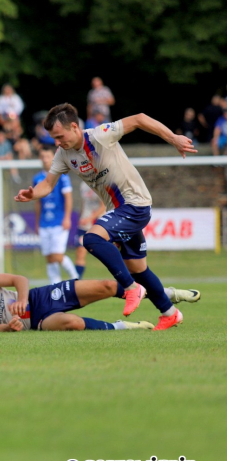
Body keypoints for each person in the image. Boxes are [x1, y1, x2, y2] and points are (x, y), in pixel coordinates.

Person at [15, 103, 197, 331]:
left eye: (60, 136)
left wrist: (173, 138)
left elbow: (139, 118)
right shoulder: (63, 154)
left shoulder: (101, 135)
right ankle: (170, 313)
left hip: (135, 204)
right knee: (139, 269)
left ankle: (131, 289)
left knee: (91, 239)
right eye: (54, 138)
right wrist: (33, 193)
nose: (57, 143)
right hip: (119, 212)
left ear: (74, 126)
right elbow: (47, 184)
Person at [0, 271, 199, 332]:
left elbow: (19, 278)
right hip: (38, 321)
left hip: (40, 296)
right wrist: (8, 327)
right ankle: (122, 327)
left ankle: (169, 295)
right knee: (72, 323)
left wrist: (22, 299)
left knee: (105, 286)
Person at [33, 147, 78, 283]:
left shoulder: (62, 176)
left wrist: (67, 218)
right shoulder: (37, 178)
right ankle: (55, 285)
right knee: (49, 257)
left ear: (53, 158)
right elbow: (38, 202)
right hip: (44, 223)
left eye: (48, 156)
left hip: (59, 221)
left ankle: (75, 278)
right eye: (43, 156)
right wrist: (37, 222)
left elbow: (68, 197)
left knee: (57, 256)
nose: (45, 159)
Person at [74, 182, 106, 279]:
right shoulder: (83, 184)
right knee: (80, 251)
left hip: (99, 224)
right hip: (84, 225)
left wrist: (90, 218)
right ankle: (77, 280)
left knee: (108, 253)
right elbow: (84, 202)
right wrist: (82, 216)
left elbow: (103, 206)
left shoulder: (101, 183)